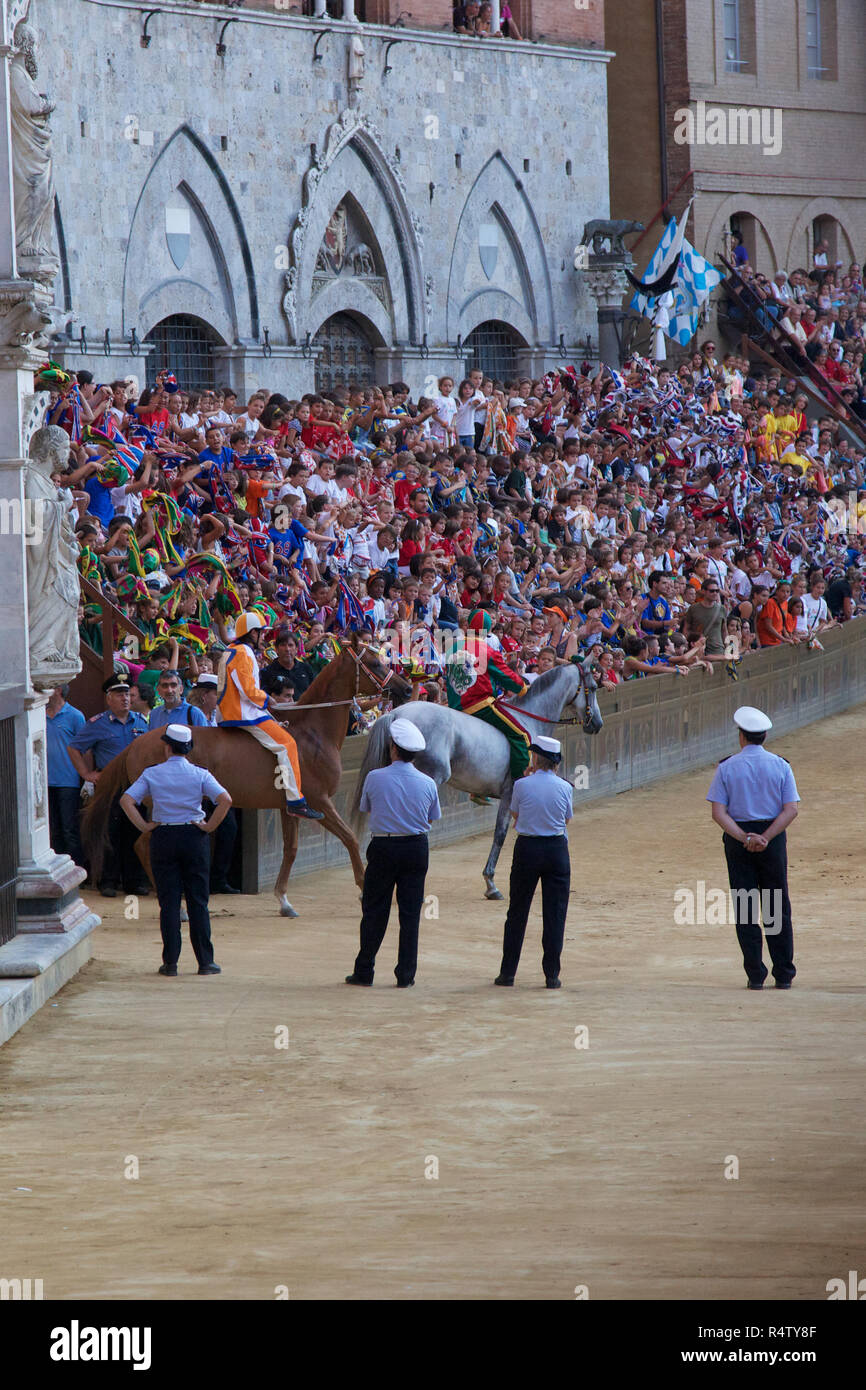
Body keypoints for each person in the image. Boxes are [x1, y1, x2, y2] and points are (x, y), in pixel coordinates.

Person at [120, 724, 232, 976]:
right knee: (198, 902)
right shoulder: (200, 773)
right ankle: (205, 962)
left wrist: (145, 826)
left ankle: (170, 962)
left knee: (169, 903)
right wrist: (209, 826)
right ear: (189, 748)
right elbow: (225, 800)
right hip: (194, 837)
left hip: (164, 837)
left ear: (167, 747)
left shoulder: (152, 773)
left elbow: (126, 800)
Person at [706, 706, 799, 990]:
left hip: (739, 841)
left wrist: (745, 838)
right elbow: (790, 810)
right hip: (772, 839)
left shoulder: (727, 767)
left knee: (745, 907)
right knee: (775, 905)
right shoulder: (781, 765)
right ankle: (783, 974)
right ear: (765, 736)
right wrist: (766, 837)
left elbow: (719, 813)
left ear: (741, 737)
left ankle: (755, 974)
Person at [345, 718, 441, 989]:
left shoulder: (375, 777)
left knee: (374, 910)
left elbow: (367, 808)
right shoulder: (428, 782)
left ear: (392, 748)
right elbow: (432, 818)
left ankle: (364, 971)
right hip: (416, 847)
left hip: (384, 847)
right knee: (410, 914)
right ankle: (406, 975)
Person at [216, 611, 323, 819]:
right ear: (251, 633)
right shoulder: (243, 652)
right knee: (287, 744)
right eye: (260, 632)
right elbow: (248, 690)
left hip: (233, 710)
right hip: (242, 713)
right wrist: (268, 700)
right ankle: (295, 801)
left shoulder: (230, 650)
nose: (263, 637)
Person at [495, 735, 573, 989]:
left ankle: (508, 973)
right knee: (555, 913)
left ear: (536, 759)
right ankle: (551, 974)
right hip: (556, 849)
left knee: (517, 911)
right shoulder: (565, 787)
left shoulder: (522, 785)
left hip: (528, 848)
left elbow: (516, 814)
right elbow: (566, 820)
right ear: (556, 763)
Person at [67, 673, 148, 897]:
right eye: (119, 694)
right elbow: (74, 748)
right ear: (108, 698)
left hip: (135, 785)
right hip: (109, 785)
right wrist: (86, 773)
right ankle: (108, 881)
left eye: (127, 694)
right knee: (109, 832)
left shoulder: (140, 722)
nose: (125, 699)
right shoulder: (98, 723)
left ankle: (134, 881)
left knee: (135, 830)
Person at [45, 684, 86, 867]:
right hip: (45, 782)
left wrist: (86, 777)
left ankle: (76, 869)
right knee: (52, 830)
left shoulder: (75, 716)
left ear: (59, 690)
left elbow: (86, 748)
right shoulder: (38, 714)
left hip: (68, 781)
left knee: (70, 829)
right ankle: (58, 868)